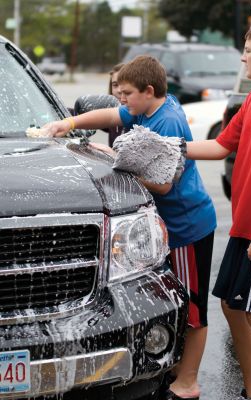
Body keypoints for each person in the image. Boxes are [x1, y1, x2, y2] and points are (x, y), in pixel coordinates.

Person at [42, 55, 217, 400]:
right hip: (172, 227)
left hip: (189, 227)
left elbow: (164, 183)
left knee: (193, 306)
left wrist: (111, 162)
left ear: (148, 90)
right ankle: (177, 368)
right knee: (174, 299)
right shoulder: (148, 107)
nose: (120, 99)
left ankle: (189, 381)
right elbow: (110, 115)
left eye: (125, 93)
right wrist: (69, 123)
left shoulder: (167, 122)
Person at [185, 24, 251, 400]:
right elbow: (219, 145)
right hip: (243, 227)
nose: (243, 56)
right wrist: (167, 147)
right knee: (232, 307)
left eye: (248, 49)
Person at [107, 62, 125, 147]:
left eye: (124, 84)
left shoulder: (139, 116)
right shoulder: (113, 109)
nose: (119, 90)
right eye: (115, 85)